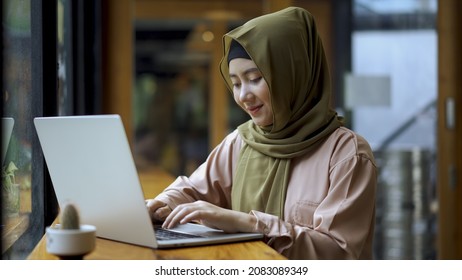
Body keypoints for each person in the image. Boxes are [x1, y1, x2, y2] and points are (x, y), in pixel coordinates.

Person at [146, 6, 377, 259]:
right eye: (235, 83)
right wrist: (161, 204)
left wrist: (250, 224)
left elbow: (337, 252)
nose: (243, 96)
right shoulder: (241, 142)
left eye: (255, 78)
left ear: (292, 75)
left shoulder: (346, 154)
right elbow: (193, 190)